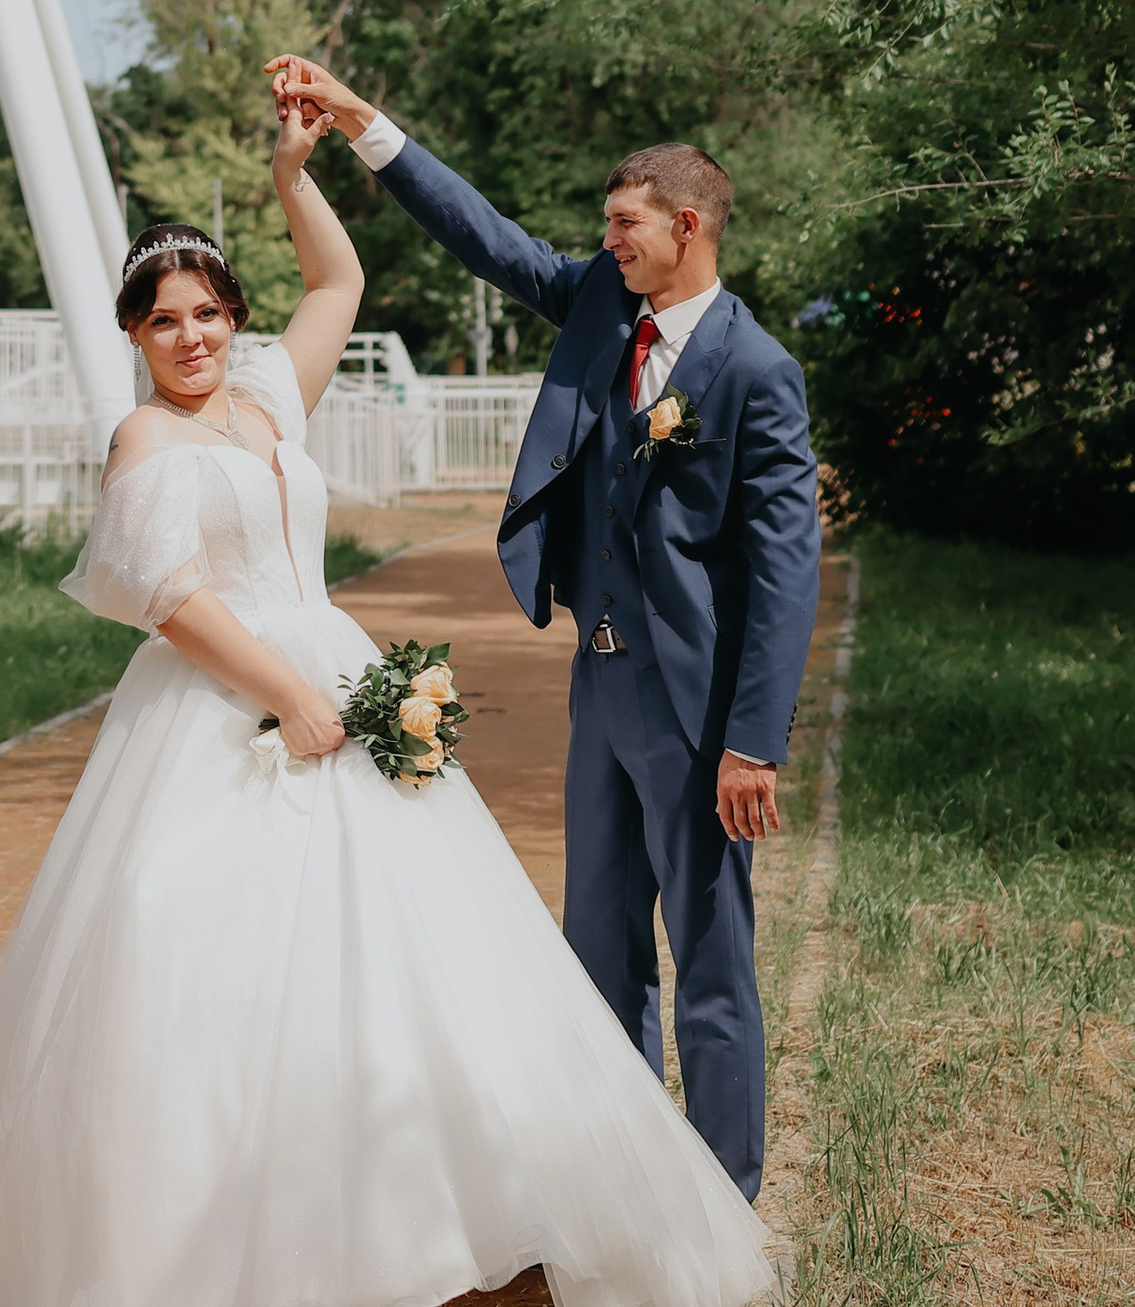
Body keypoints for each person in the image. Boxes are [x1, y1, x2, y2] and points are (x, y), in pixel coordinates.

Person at [0, 93, 774, 1307]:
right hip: (225, 708)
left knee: (428, 960)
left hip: (337, 682)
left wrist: (300, 171)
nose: (194, 337)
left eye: (211, 313)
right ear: (133, 335)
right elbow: (170, 598)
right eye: (166, 320)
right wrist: (291, 694)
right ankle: (213, 1263)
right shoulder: (147, 442)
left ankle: (421, 1222)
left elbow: (337, 276)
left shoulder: (269, 393)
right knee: (206, 970)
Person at [268, 64, 818, 1203]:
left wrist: (752, 741)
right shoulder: (598, 308)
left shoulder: (759, 372)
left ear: (686, 223)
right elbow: (486, 236)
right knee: (598, 952)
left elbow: (783, 569)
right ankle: (622, 1188)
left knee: (709, 962)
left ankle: (722, 1198)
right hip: (602, 689)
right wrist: (364, 121)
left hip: (700, 709)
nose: (603, 241)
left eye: (622, 224)